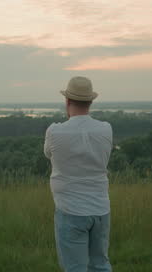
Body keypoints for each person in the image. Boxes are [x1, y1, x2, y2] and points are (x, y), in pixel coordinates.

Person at [44, 76, 113, 272]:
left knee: (74, 268)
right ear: (91, 101)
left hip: (70, 209)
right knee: (100, 265)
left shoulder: (55, 131)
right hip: (100, 209)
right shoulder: (106, 129)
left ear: (67, 101)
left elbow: (48, 154)